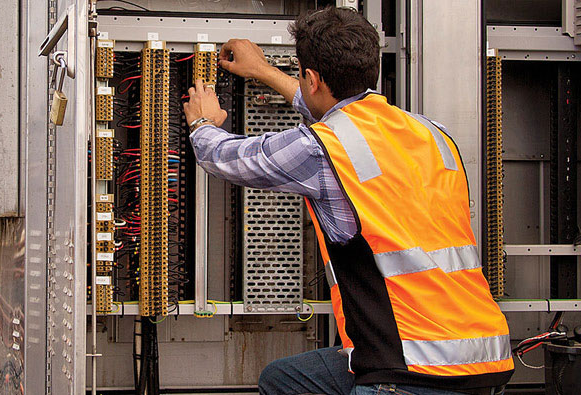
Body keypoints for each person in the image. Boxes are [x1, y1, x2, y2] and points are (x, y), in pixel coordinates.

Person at [181, 7, 514, 395]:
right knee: (283, 380)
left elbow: (228, 159)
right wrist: (266, 72)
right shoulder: (428, 132)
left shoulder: (325, 148)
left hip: (410, 368)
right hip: (484, 354)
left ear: (312, 77)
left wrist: (201, 122)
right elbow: (331, 111)